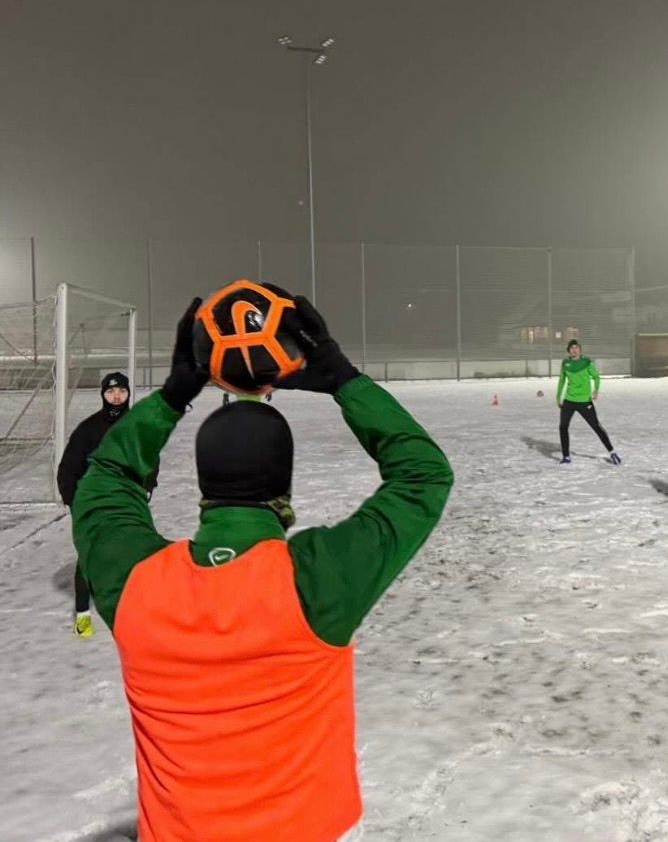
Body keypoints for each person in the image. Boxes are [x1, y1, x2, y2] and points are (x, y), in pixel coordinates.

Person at [70, 296, 454, 842]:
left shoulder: (137, 584)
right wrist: (344, 380)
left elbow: (104, 480)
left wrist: (174, 394)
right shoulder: (316, 580)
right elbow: (423, 477)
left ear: (204, 487)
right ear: (284, 488)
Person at [56, 371, 157, 638]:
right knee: (90, 557)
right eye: (110, 392)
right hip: (94, 505)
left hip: (128, 502)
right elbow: (68, 468)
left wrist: (146, 487)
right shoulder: (88, 429)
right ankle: (82, 615)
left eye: (121, 391)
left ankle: (133, 610)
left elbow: (149, 459)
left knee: (135, 552)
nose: (116, 396)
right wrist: (75, 501)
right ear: (103, 395)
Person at [556, 339, 620, 465]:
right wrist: (558, 397)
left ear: (580, 350)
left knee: (596, 426)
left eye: (576, 347)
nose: (574, 350)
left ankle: (612, 452)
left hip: (584, 401)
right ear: (568, 350)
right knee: (563, 427)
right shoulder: (565, 363)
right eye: (572, 348)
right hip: (569, 400)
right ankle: (566, 456)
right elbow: (561, 381)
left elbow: (596, 377)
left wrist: (596, 390)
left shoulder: (586, 362)